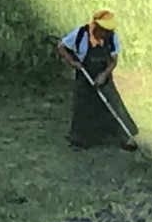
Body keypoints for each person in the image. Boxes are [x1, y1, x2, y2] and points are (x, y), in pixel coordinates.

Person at [57, 10, 139, 151]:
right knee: (82, 106)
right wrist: (73, 63)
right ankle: (79, 139)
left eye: (109, 30)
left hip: (104, 75)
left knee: (113, 104)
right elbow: (61, 47)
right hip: (84, 75)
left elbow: (113, 61)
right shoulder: (80, 34)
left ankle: (125, 136)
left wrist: (104, 75)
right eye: (104, 30)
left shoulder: (112, 37)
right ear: (95, 26)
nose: (107, 34)